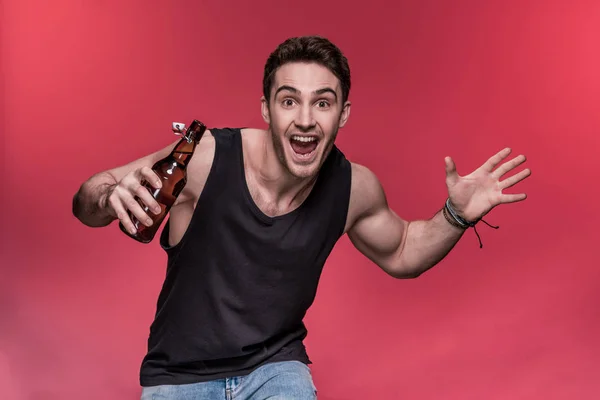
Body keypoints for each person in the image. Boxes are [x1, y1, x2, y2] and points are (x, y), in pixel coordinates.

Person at [72, 35, 531, 399]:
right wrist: (111, 194)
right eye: (289, 100)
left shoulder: (353, 186)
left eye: (323, 103)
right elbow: (88, 199)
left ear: (342, 114)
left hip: (276, 369)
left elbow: (403, 251)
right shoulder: (206, 156)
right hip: (178, 375)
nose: (306, 119)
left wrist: (455, 214)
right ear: (267, 109)